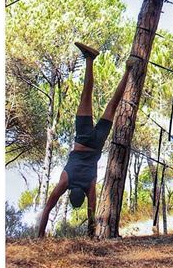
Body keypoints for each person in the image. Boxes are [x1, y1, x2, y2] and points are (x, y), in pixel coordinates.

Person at [37, 43, 138, 238]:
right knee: (86, 95)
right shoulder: (64, 181)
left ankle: (128, 70)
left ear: (81, 195)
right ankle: (90, 59)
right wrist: (39, 235)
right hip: (82, 139)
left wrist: (91, 235)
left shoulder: (90, 185)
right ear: (69, 192)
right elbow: (48, 208)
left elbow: (92, 214)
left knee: (113, 105)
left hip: (97, 144)